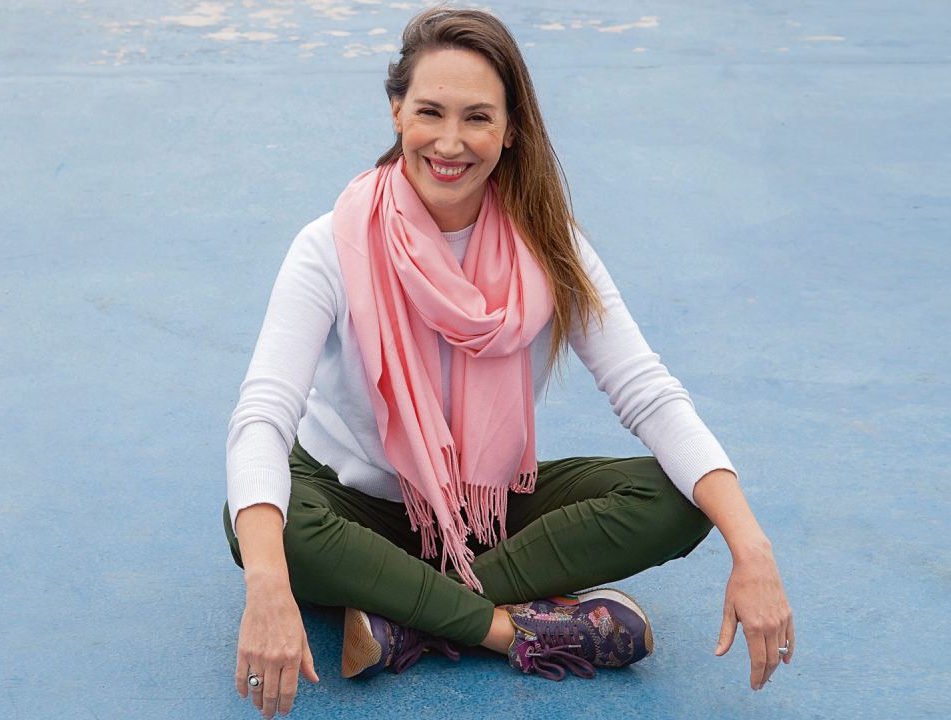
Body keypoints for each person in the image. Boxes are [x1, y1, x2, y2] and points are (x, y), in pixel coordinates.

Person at [222, 7, 794, 718]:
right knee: (265, 524)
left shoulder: (550, 248)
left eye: (478, 118)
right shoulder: (329, 245)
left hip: (480, 510)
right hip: (349, 508)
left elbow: (645, 390)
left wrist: (753, 546)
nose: (451, 142)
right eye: (430, 111)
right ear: (397, 110)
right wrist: (268, 584)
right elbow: (263, 415)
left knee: (683, 498)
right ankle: (499, 625)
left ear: (511, 129)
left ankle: (403, 619)